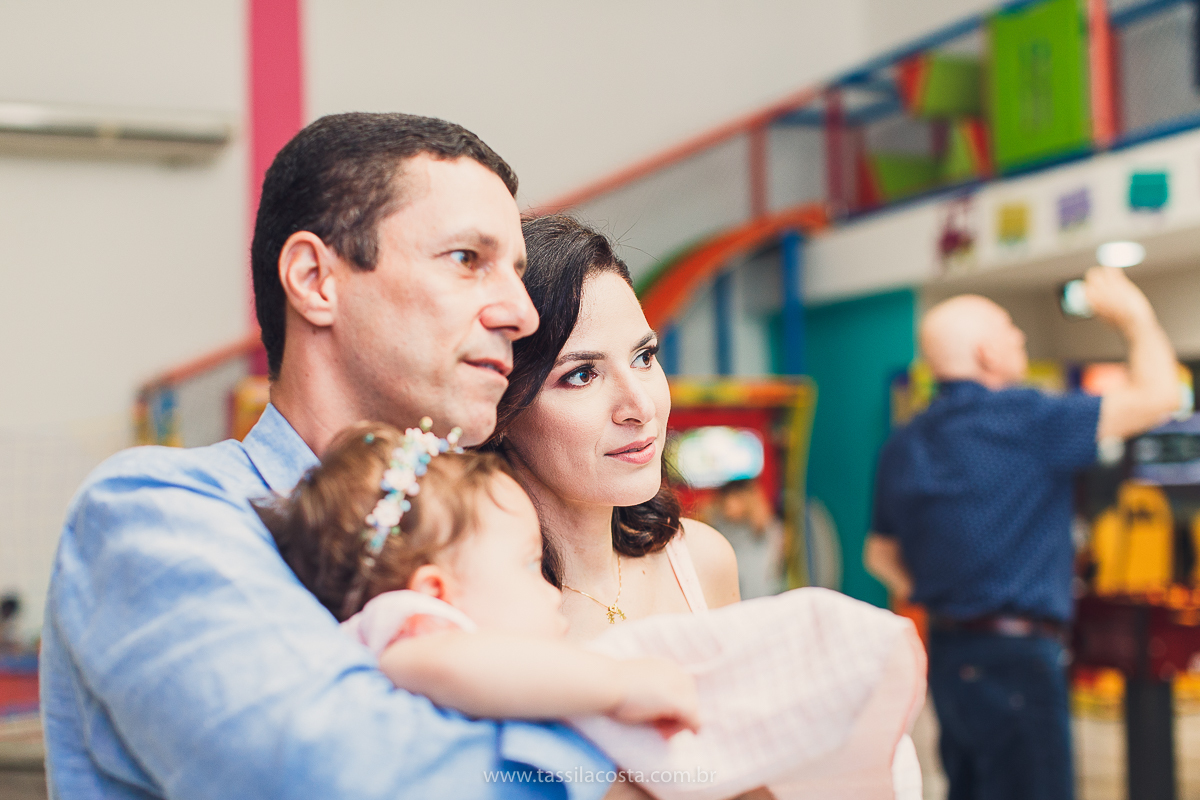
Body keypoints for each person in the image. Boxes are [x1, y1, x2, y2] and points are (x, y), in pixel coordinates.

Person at [40, 113, 642, 799]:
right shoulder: (156, 513)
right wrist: (647, 772)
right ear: (315, 279)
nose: (521, 314)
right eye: (467, 260)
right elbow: (345, 778)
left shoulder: (477, 528)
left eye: (516, 272)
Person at [865, 266, 1180, 800]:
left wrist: (952, 597)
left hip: (947, 654)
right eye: (1010, 328)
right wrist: (1135, 317)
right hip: (1020, 660)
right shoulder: (1030, 419)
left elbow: (879, 556)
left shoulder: (905, 442)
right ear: (987, 353)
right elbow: (1159, 395)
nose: (1021, 337)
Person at [258, 419, 701, 736]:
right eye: (529, 565)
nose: (551, 589)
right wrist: (618, 685)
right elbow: (461, 664)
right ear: (434, 594)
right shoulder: (411, 637)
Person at [484, 214, 741, 641]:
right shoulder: (477, 615)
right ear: (499, 407)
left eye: (644, 357)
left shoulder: (704, 562)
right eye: (582, 375)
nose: (641, 406)